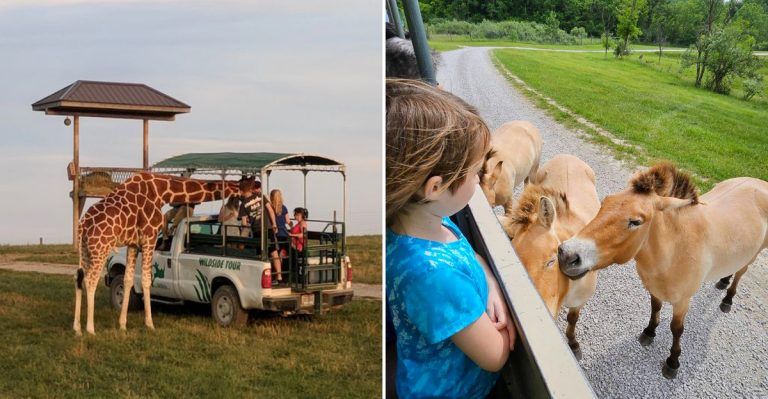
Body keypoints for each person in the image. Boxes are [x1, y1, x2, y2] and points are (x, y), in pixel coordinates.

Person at [386, 79, 516, 399]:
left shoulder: (424, 222)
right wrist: (512, 321)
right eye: (474, 173)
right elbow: (495, 355)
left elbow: (466, 254)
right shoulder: (432, 276)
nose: (478, 179)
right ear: (435, 188)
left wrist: (489, 278)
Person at [238, 178, 278, 253]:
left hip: (257, 230)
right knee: (274, 253)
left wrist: (248, 223)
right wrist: (274, 224)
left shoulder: (243, 205)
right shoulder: (261, 196)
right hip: (268, 227)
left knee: (260, 252)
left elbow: (244, 224)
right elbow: (271, 211)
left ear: (241, 191)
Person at [269, 189, 291, 284]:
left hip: (275, 234)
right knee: (282, 256)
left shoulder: (270, 208)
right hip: (284, 233)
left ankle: (277, 276)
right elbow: (287, 221)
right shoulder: (284, 208)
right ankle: (284, 276)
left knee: (274, 256)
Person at [288, 207, 308, 281]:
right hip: (294, 245)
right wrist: (291, 227)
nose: (296, 217)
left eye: (297, 215)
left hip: (299, 248)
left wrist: (292, 235)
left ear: (302, 215)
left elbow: (303, 235)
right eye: (295, 215)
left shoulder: (303, 223)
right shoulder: (298, 223)